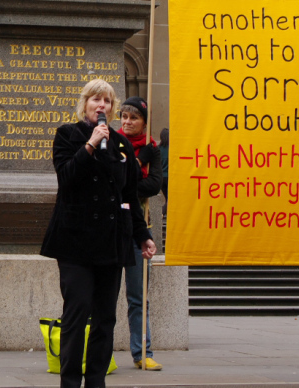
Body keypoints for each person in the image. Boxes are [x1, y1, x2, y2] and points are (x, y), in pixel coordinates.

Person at [41, 80, 156, 388]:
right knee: (77, 313)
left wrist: (142, 235)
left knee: (106, 318)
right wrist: (90, 144)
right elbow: (66, 178)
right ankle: (69, 381)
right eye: (96, 99)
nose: (101, 105)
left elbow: (128, 195)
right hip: (75, 242)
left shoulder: (121, 145)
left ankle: (96, 381)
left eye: (107, 100)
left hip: (110, 242)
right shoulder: (68, 135)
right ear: (85, 104)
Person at [118, 96, 163, 371]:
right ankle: (102, 353)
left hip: (139, 229)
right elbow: (118, 181)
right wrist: (137, 165)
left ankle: (142, 351)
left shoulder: (152, 149)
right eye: (124, 116)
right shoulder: (111, 142)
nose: (127, 121)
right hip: (112, 228)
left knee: (138, 296)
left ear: (144, 122)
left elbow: (154, 185)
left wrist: (138, 162)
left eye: (133, 117)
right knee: (104, 297)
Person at [159, 128, 169, 218]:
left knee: (167, 198)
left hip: (161, 177)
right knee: (171, 199)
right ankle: (162, 213)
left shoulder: (158, 149)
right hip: (169, 177)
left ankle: (163, 213)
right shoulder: (172, 149)